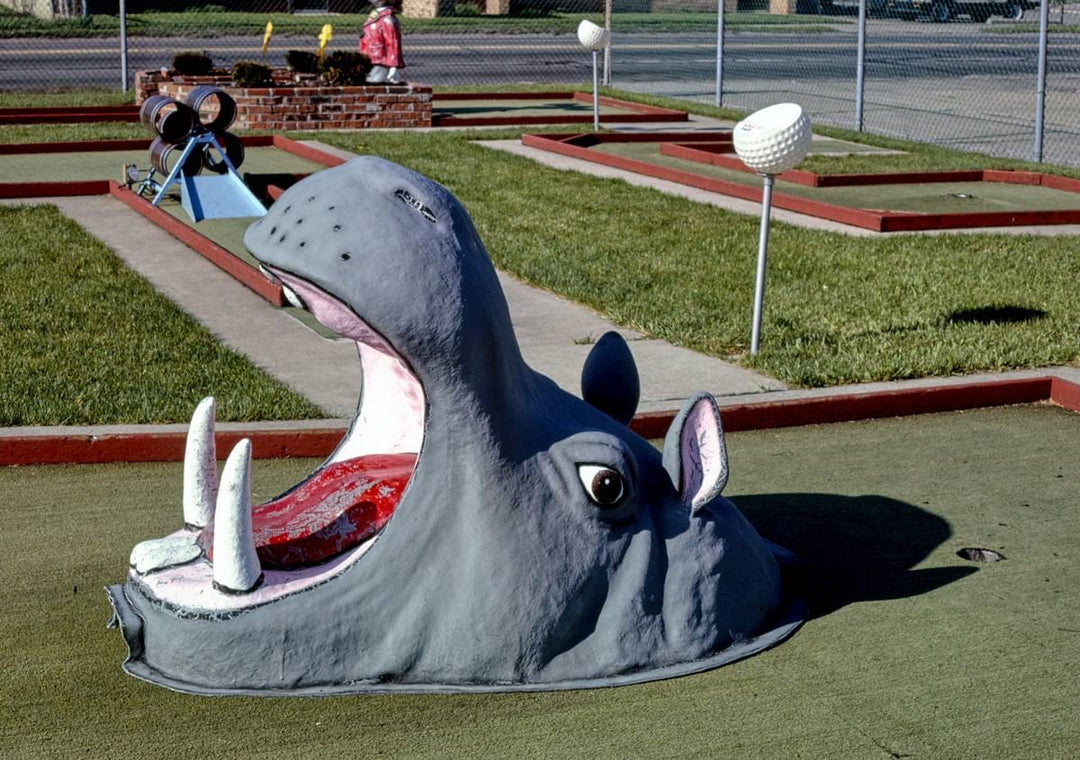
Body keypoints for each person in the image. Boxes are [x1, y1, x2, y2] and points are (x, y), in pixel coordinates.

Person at [359, 0, 404, 84]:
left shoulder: (387, 18)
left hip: (380, 60)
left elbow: (392, 42)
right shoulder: (377, 15)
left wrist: (393, 66)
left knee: (375, 86)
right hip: (370, 58)